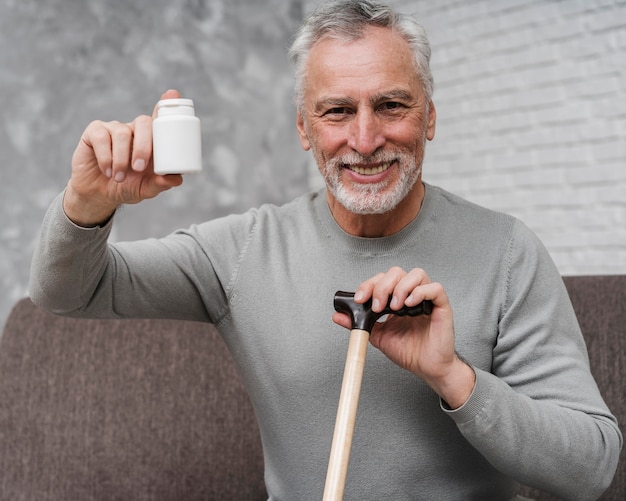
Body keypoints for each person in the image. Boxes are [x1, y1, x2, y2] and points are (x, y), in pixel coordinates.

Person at [29, 1, 621, 499]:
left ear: (431, 117)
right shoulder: (242, 250)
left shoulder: (508, 252)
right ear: (304, 130)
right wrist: (87, 201)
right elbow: (68, 293)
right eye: (337, 111)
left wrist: (453, 376)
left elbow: (592, 469)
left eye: (391, 105)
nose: (364, 140)